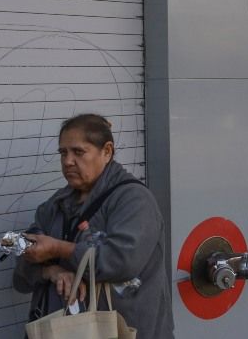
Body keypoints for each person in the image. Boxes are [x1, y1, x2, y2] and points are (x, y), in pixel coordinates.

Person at [13, 114, 173, 339]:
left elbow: (121, 261)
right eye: (63, 152)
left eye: (78, 152)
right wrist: (50, 271)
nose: (68, 161)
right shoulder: (55, 205)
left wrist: (59, 249)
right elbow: (21, 273)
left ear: (106, 151)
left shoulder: (134, 200)